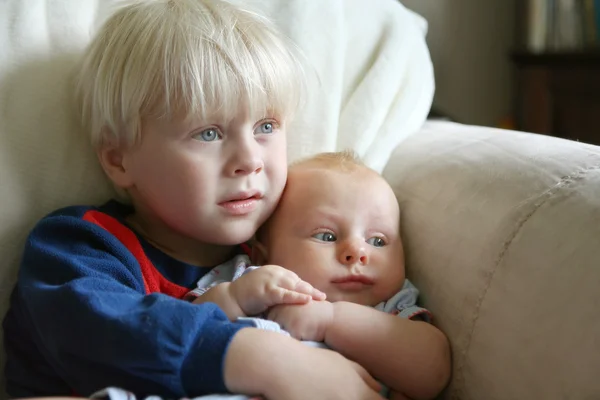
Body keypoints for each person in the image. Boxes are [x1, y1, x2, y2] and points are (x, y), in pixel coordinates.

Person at [2, 1, 386, 399]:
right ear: (119, 160)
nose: (250, 160)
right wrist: (268, 358)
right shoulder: (78, 245)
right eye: (209, 133)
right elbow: (96, 331)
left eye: (266, 126)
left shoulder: (288, 244)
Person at [184, 151, 451, 400]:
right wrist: (235, 297)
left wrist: (331, 319)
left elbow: (434, 371)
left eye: (378, 241)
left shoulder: (391, 309)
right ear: (263, 257)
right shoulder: (248, 279)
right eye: (327, 236)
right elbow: (184, 329)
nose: (358, 252)